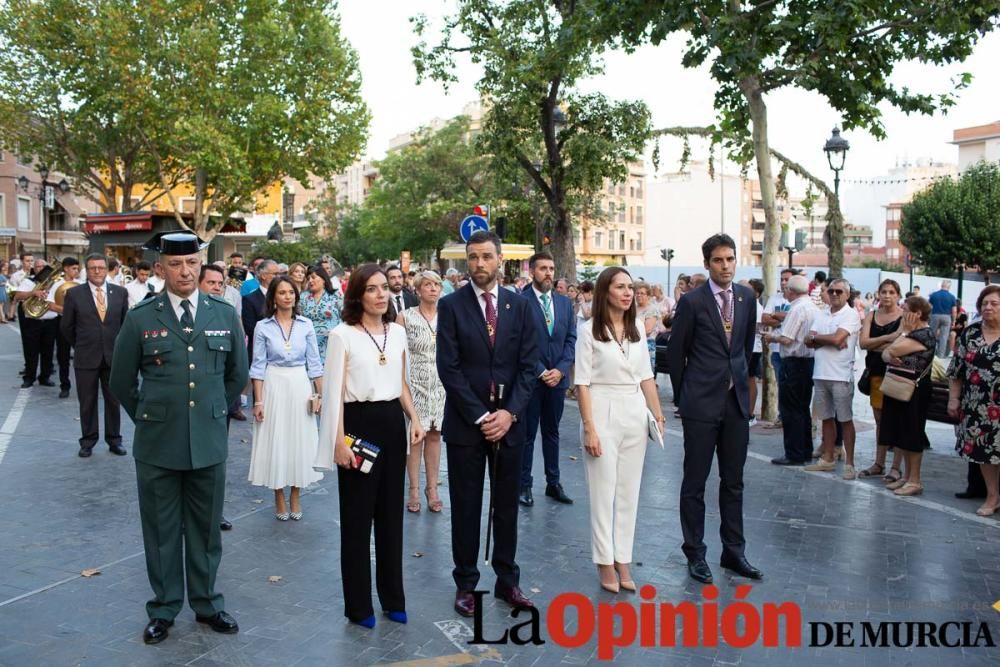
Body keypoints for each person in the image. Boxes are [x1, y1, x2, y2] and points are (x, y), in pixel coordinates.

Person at [108, 232, 248, 645]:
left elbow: (236, 375)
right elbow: (121, 381)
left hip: (208, 441)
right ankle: (164, 608)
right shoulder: (141, 317)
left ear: (201, 266)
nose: (185, 271)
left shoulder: (223, 314)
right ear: (160, 269)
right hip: (157, 445)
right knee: (161, 529)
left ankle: (206, 604)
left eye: (191, 263)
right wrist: (150, 418)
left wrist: (212, 414)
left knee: (206, 530)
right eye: (175, 264)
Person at [435, 230, 539, 618]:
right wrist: (481, 416)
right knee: (465, 505)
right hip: (467, 426)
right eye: (473, 257)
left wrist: (509, 414)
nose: (479, 264)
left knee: (507, 507)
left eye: (486, 257)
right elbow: (449, 367)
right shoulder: (452, 306)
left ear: (500, 261)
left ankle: (507, 580)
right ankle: (465, 583)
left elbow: (529, 366)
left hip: (510, 425)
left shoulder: (520, 306)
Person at [315, 264, 424, 628]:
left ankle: (394, 598)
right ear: (358, 295)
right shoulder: (341, 336)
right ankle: (359, 606)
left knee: (391, 518)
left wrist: (416, 418)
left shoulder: (397, 332)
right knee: (358, 521)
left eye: (384, 288)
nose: (381, 295)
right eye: (373, 289)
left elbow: (403, 382)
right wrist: (338, 443)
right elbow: (333, 395)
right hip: (358, 428)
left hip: (393, 424)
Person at [668, 233, 761, 585]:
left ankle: (733, 551)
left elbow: (745, 346)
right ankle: (695, 552)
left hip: (735, 404)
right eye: (719, 260)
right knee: (695, 481)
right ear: (707, 263)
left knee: (734, 481)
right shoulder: (692, 302)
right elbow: (676, 354)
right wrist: (684, 396)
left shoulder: (747, 297)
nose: (725, 266)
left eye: (730, 259)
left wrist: (742, 388)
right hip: (700, 404)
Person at [575, 267, 663, 592]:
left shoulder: (637, 326)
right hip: (602, 407)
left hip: (634, 410)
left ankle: (622, 557)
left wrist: (657, 414)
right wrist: (589, 428)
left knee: (629, 491)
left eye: (630, 287)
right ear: (605, 291)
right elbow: (582, 382)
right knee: (603, 492)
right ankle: (603, 561)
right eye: (620, 287)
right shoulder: (588, 331)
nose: (628, 293)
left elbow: (646, 375)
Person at [248, 276, 324, 519]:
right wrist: (258, 401)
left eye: (291, 292)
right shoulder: (263, 327)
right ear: (273, 297)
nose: (288, 296)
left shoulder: (306, 325)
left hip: (300, 384)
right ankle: (279, 496)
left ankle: (295, 495)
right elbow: (257, 366)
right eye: (282, 292)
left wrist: (320, 395)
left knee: (299, 439)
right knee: (277, 438)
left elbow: (315, 364)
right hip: (274, 384)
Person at [518, 252, 576, 508]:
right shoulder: (520, 302)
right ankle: (524, 485)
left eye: (551, 268)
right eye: (543, 268)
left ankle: (554, 482)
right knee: (528, 435)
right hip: (531, 381)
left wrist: (561, 370)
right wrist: (542, 371)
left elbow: (571, 340)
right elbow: (519, 343)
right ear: (532, 271)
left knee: (552, 433)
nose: (548, 273)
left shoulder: (564, 303)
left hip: (557, 381)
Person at [60, 254, 128, 456]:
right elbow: (67, 327)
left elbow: (125, 325)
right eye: (92, 268)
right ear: (86, 271)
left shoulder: (120, 293)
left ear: (107, 269)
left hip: (113, 356)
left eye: (100, 267)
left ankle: (114, 440)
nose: (97, 271)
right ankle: (88, 441)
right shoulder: (74, 294)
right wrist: (82, 345)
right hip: (86, 357)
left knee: (114, 401)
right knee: (87, 401)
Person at [398, 270, 447, 513]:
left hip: (440, 384)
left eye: (436, 284)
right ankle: (414, 489)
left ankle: (432, 488)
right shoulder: (404, 317)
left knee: (436, 434)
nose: (433, 289)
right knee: (415, 436)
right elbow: (399, 355)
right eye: (427, 285)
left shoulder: (448, 315)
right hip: (414, 383)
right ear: (417, 290)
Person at [948, 285, 1000, 515]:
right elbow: (956, 370)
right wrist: (953, 399)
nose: (988, 307)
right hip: (976, 405)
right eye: (985, 303)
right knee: (983, 453)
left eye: (994, 304)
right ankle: (992, 496)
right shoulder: (971, 333)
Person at [803, 278, 861, 479]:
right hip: (820, 373)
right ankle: (827, 458)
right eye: (831, 291)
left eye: (839, 291)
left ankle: (850, 463)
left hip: (841, 375)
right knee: (826, 418)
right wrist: (830, 340)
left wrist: (821, 339)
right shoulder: (822, 313)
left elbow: (836, 339)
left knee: (845, 419)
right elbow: (807, 340)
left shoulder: (851, 315)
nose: (834, 294)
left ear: (847, 294)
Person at [198, 264, 241, 530]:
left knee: (214, 464)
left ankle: (214, 514)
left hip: (217, 405)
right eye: (211, 283)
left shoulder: (228, 316)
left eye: (220, 284)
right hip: (186, 405)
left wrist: (223, 402)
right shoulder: (186, 315)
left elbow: (238, 369)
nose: (216, 288)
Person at [878, 297, 935, 497]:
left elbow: (891, 350)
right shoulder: (914, 334)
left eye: (906, 309)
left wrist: (903, 333)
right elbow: (885, 355)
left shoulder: (923, 335)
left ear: (917, 314)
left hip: (915, 390)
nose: (902, 311)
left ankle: (915, 480)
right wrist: (890, 351)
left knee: (912, 433)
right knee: (902, 432)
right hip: (902, 387)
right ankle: (906, 477)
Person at [765, 274, 820, 465]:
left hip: (794, 362)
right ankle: (805, 450)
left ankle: (794, 453)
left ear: (791, 291)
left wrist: (772, 337)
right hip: (808, 362)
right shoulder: (813, 307)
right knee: (802, 408)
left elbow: (787, 338)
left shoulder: (797, 309)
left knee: (790, 409)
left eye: (786, 288)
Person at [857, 280, 905, 481]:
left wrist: (880, 344)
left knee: (898, 420)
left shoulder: (904, 316)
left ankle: (895, 467)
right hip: (876, 372)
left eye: (891, 292)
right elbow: (863, 343)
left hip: (898, 374)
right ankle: (879, 462)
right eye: (884, 292)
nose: (887, 295)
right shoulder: (871, 315)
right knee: (880, 421)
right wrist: (889, 338)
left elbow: (901, 344)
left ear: (898, 295)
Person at [14, 258, 58, 388]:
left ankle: (45, 377)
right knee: (31, 351)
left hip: (50, 321)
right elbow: (17, 296)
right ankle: (29, 378)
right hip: (32, 321)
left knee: (48, 351)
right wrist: (33, 292)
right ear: (34, 268)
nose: (41, 269)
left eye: (43, 266)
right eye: (38, 267)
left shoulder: (55, 282)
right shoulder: (29, 281)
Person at [46, 257, 84, 398]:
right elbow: (50, 304)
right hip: (63, 323)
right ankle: (65, 385)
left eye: (77, 268)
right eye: (73, 268)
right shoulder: (57, 285)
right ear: (66, 269)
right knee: (63, 356)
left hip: (81, 324)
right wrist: (67, 311)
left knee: (84, 355)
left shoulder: (81, 284)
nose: (76, 271)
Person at [300, 265, 342, 363]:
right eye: (308, 278)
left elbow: (345, 318)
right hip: (309, 345)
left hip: (332, 343)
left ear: (323, 279)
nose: (310, 280)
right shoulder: (303, 297)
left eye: (313, 277)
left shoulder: (335, 295)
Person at [242, 259, 278, 370]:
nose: (278, 277)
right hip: (260, 354)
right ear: (263, 276)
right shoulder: (250, 299)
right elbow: (250, 329)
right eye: (275, 274)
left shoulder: (283, 296)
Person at [744, 278, 765, 425]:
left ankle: (750, 413)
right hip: (745, 348)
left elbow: (756, 329)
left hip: (753, 348)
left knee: (750, 378)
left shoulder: (757, 309)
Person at [634, 281, 662, 373]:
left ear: (648, 296)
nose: (638, 295)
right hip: (632, 344)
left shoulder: (652, 309)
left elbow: (648, 330)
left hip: (646, 345)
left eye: (642, 293)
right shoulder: (632, 308)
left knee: (646, 374)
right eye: (637, 293)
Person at [928, 280, 957, 357]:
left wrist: (929, 317)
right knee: (944, 337)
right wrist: (954, 321)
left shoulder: (934, 295)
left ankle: (931, 353)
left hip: (935, 315)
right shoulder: (952, 297)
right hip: (946, 316)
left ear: (942, 285)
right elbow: (954, 310)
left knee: (932, 335)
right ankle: (941, 355)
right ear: (949, 287)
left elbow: (929, 307)